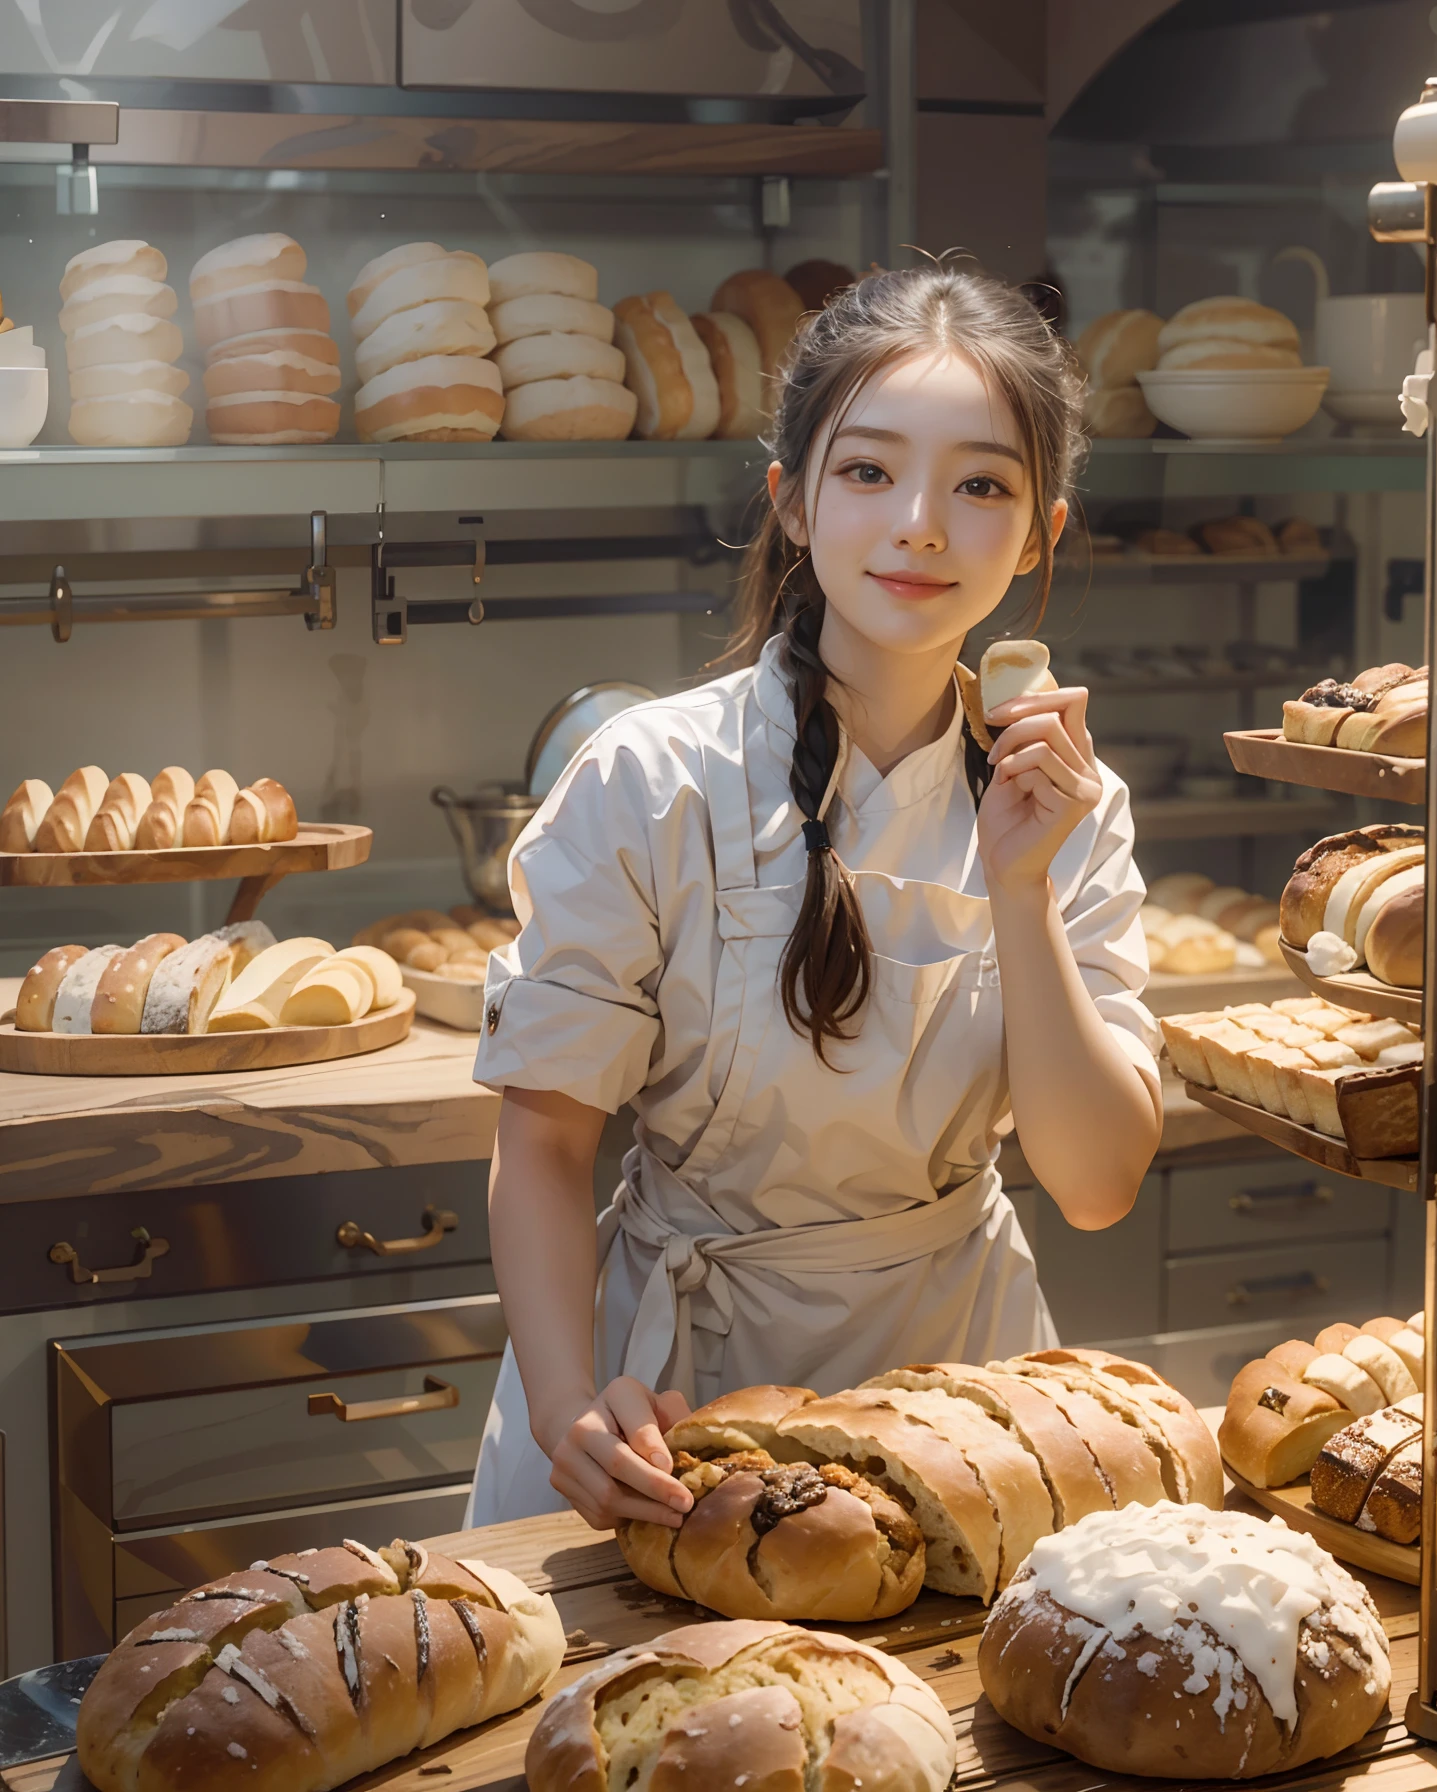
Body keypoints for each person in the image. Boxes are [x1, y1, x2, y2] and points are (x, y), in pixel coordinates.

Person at [465, 262, 1163, 1533]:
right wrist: (570, 1401)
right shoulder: (651, 777)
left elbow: (1098, 1180)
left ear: (1043, 532)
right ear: (790, 503)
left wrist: (1022, 886)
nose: (921, 525)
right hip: (667, 1402)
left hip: (962, 1400)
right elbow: (546, 1141)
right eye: (869, 472)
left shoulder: (1072, 806)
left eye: (983, 485)